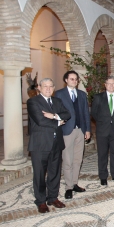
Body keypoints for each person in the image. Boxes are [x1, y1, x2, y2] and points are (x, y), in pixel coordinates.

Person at [27, 78, 71, 213]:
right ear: (39, 87)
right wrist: (58, 121)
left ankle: (53, 197)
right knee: (40, 174)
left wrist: (53, 116)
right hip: (40, 144)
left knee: (54, 172)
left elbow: (67, 114)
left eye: (50, 86)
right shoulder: (33, 102)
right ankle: (41, 201)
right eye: (45, 86)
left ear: (54, 88)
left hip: (56, 143)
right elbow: (40, 121)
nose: (48, 89)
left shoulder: (57, 101)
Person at [55, 71, 91, 199]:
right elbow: (56, 111)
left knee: (78, 159)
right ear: (66, 80)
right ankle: (68, 187)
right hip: (67, 130)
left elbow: (86, 113)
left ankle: (75, 183)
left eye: (76, 79)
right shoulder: (59, 94)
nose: (74, 81)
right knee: (68, 160)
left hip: (80, 130)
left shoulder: (82, 94)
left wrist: (87, 130)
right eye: (71, 79)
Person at [91, 76, 114, 185]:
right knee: (102, 154)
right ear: (105, 85)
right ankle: (103, 176)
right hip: (102, 130)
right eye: (109, 83)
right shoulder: (98, 97)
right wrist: (104, 121)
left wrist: (113, 120)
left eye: (113, 84)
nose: (111, 86)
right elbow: (94, 113)